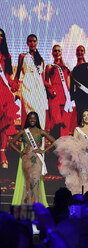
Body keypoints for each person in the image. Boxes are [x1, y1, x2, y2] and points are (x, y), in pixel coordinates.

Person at [9, 112, 55, 206]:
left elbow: (54, 142)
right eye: (30, 118)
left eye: (34, 118)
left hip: (37, 159)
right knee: (28, 180)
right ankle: (28, 204)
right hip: (26, 159)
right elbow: (11, 143)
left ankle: (37, 204)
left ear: (37, 120)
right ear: (28, 120)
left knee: (36, 180)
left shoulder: (41, 131)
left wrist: (43, 150)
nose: (32, 120)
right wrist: (20, 152)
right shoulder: (24, 132)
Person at [14, 34, 51, 130]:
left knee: (39, 113)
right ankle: (27, 139)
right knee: (29, 111)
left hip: (39, 89)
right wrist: (14, 84)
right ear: (27, 43)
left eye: (34, 41)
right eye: (30, 41)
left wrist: (50, 87)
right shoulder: (22, 56)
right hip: (27, 86)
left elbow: (42, 79)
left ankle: (38, 139)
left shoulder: (41, 60)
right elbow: (17, 73)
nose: (32, 43)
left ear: (37, 43)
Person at [45, 45, 75, 136]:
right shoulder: (50, 66)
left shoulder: (66, 68)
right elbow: (45, 81)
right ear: (52, 53)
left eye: (58, 51)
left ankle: (64, 145)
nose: (57, 53)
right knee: (56, 121)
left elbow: (69, 83)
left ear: (61, 53)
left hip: (65, 96)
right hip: (54, 95)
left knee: (65, 122)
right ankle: (55, 144)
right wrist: (50, 90)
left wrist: (70, 96)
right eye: (55, 51)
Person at [0, 28, 19, 168]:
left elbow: (7, 75)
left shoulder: (7, 56)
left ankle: (3, 154)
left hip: (3, 90)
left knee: (4, 123)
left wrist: (13, 86)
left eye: (1, 36)